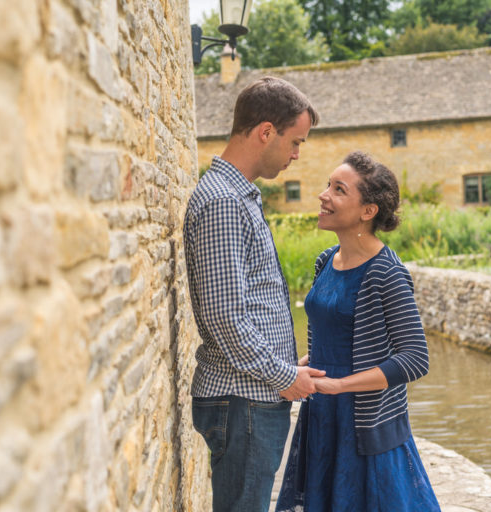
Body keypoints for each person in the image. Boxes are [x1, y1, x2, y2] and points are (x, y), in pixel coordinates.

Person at [183, 76, 325, 512]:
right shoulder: (224, 201)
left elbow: (250, 305)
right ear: (266, 131)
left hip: (251, 395)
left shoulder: (239, 196)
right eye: (295, 142)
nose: (296, 155)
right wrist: (286, 378)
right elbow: (228, 319)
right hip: (243, 402)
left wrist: (286, 362)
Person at [276, 151, 440, 512]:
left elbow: (415, 359)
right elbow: (328, 333)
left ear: (368, 211)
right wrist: (302, 364)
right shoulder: (325, 260)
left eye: (338, 190)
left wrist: (339, 384)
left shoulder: (387, 273)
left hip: (364, 421)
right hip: (321, 414)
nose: (324, 195)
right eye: (327, 186)